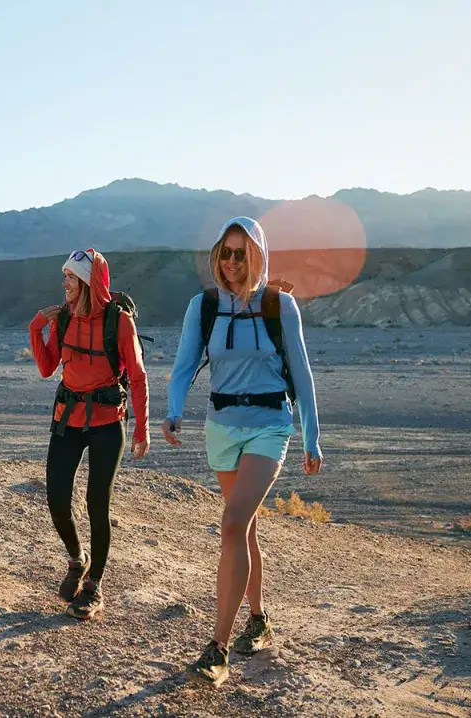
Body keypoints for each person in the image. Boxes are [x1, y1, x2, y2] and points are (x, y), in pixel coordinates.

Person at [161, 217, 322, 687]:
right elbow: (185, 364)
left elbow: (303, 373)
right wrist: (172, 412)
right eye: (226, 253)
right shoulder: (205, 305)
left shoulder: (280, 305)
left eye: (242, 253)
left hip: (270, 426)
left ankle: (217, 647)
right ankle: (260, 618)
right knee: (243, 527)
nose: (232, 262)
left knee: (231, 524)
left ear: (258, 256)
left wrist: (312, 437)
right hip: (221, 427)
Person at [28, 248, 150, 621]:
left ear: (88, 283)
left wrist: (142, 428)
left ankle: (94, 586)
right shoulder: (63, 319)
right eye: (64, 276)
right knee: (56, 497)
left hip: (107, 422)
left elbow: (139, 377)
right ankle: (76, 559)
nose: (64, 283)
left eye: (70, 277)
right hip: (69, 418)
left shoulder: (120, 321)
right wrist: (37, 328)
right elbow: (48, 368)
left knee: (98, 503)